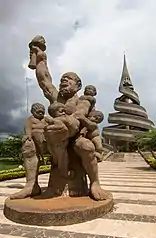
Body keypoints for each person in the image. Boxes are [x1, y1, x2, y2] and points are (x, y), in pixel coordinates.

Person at [25, 36, 110, 200]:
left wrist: (67, 123)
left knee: (85, 146)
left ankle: (95, 183)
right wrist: (41, 56)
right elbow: (44, 79)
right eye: (62, 79)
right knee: (29, 145)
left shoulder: (83, 100)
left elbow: (79, 117)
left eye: (68, 79)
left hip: (75, 137)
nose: (64, 80)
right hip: (53, 137)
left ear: (77, 85)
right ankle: (31, 185)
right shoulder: (56, 98)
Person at [10, 103, 47, 199]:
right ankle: (31, 185)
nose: (40, 113)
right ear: (33, 112)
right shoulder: (30, 119)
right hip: (35, 142)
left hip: (49, 142)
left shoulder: (46, 119)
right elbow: (28, 129)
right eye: (38, 111)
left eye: (42, 112)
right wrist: (28, 136)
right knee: (28, 146)